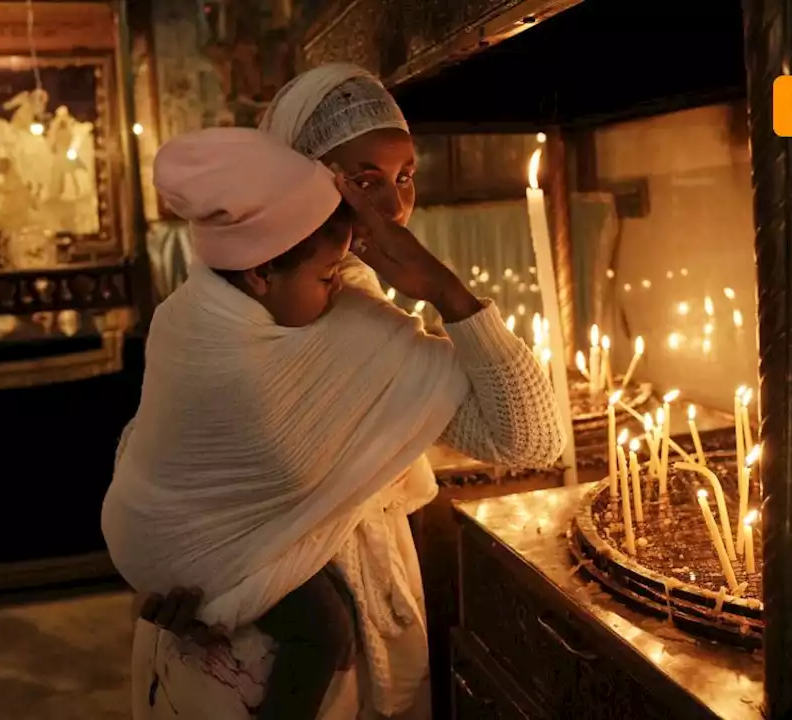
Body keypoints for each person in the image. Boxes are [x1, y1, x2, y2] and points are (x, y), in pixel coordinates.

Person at [104, 124, 562, 720]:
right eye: (360, 180)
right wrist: (179, 547)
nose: (389, 207)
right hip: (214, 646)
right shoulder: (213, 321)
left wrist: (447, 292)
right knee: (320, 630)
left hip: (322, 621)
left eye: (405, 177)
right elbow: (169, 451)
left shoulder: (342, 314)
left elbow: (533, 439)